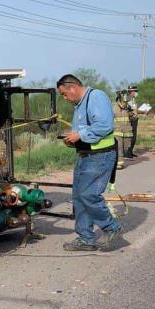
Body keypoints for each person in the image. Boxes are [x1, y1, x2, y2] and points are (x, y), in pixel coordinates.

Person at [57, 74, 123, 252]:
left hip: (99, 156)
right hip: (85, 155)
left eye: (64, 94)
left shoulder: (96, 97)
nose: (64, 98)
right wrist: (74, 140)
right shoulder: (80, 104)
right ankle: (86, 238)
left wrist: (79, 135)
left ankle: (111, 227)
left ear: (72, 87)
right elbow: (87, 129)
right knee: (79, 197)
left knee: (89, 195)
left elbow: (104, 125)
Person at [115, 85, 140, 159]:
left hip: (133, 120)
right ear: (131, 91)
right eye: (135, 91)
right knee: (130, 138)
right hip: (128, 122)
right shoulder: (126, 101)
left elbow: (133, 110)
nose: (136, 93)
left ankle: (130, 152)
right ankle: (127, 153)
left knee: (132, 138)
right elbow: (128, 111)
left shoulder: (132, 100)